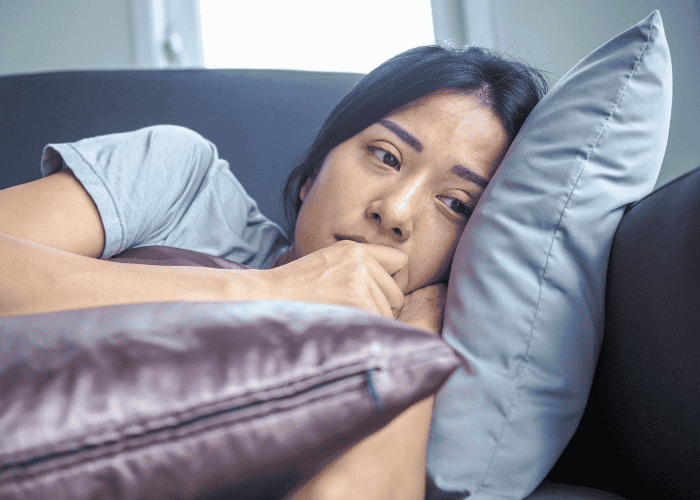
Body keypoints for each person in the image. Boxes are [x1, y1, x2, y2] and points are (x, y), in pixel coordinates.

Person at [0, 45, 547, 499]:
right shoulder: (182, 184)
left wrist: (409, 336)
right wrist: (264, 292)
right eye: (384, 156)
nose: (396, 211)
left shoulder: (437, 339)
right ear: (314, 169)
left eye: (455, 204)